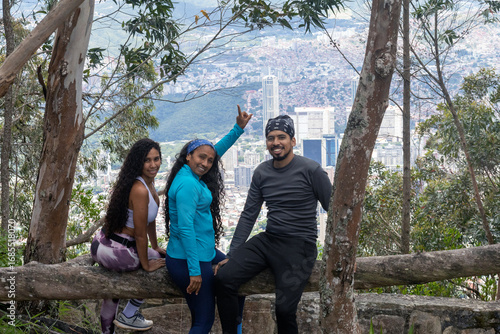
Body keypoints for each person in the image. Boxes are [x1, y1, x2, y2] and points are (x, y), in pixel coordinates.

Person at [214, 115, 332, 334]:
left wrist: (342, 254)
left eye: (281, 137)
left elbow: (334, 211)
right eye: (270, 138)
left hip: (300, 245)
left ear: (293, 141)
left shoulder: (311, 170)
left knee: (284, 309)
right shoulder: (262, 172)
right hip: (269, 239)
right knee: (224, 278)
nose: (275, 142)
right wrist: (234, 253)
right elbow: (249, 215)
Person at [164, 105, 252, 334]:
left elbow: (214, 152)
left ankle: (236, 328)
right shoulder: (187, 185)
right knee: (203, 321)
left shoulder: (192, 173)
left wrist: (238, 129)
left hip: (204, 252)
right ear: (188, 156)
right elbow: (185, 229)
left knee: (236, 277)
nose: (205, 163)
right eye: (200, 158)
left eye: (209, 160)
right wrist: (194, 271)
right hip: (188, 259)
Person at [91, 138, 166, 333]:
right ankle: (130, 314)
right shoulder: (140, 189)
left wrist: (155, 245)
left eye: (156, 159)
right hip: (116, 252)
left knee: (112, 292)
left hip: (101, 244)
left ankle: (107, 332)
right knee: (158, 263)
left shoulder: (142, 183)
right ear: (138, 162)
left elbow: (150, 220)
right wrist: (147, 263)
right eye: (147, 160)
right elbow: (140, 235)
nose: (153, 164)